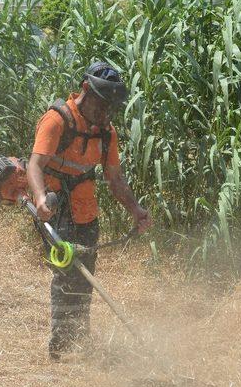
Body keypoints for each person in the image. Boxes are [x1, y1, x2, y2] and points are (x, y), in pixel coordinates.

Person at [26, 61, 152, 360]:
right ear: (86, 90)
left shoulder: (107, 133)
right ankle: (61, 345)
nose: (105, 112)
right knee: (67, 273)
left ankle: (79, 337)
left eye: (111, 107)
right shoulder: (57, 121)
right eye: (101, 104)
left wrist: (135, 209)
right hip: (56, 210)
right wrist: (41, 197)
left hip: (87, 213)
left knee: (86, 277)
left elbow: (115, 178)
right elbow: (35, 164)